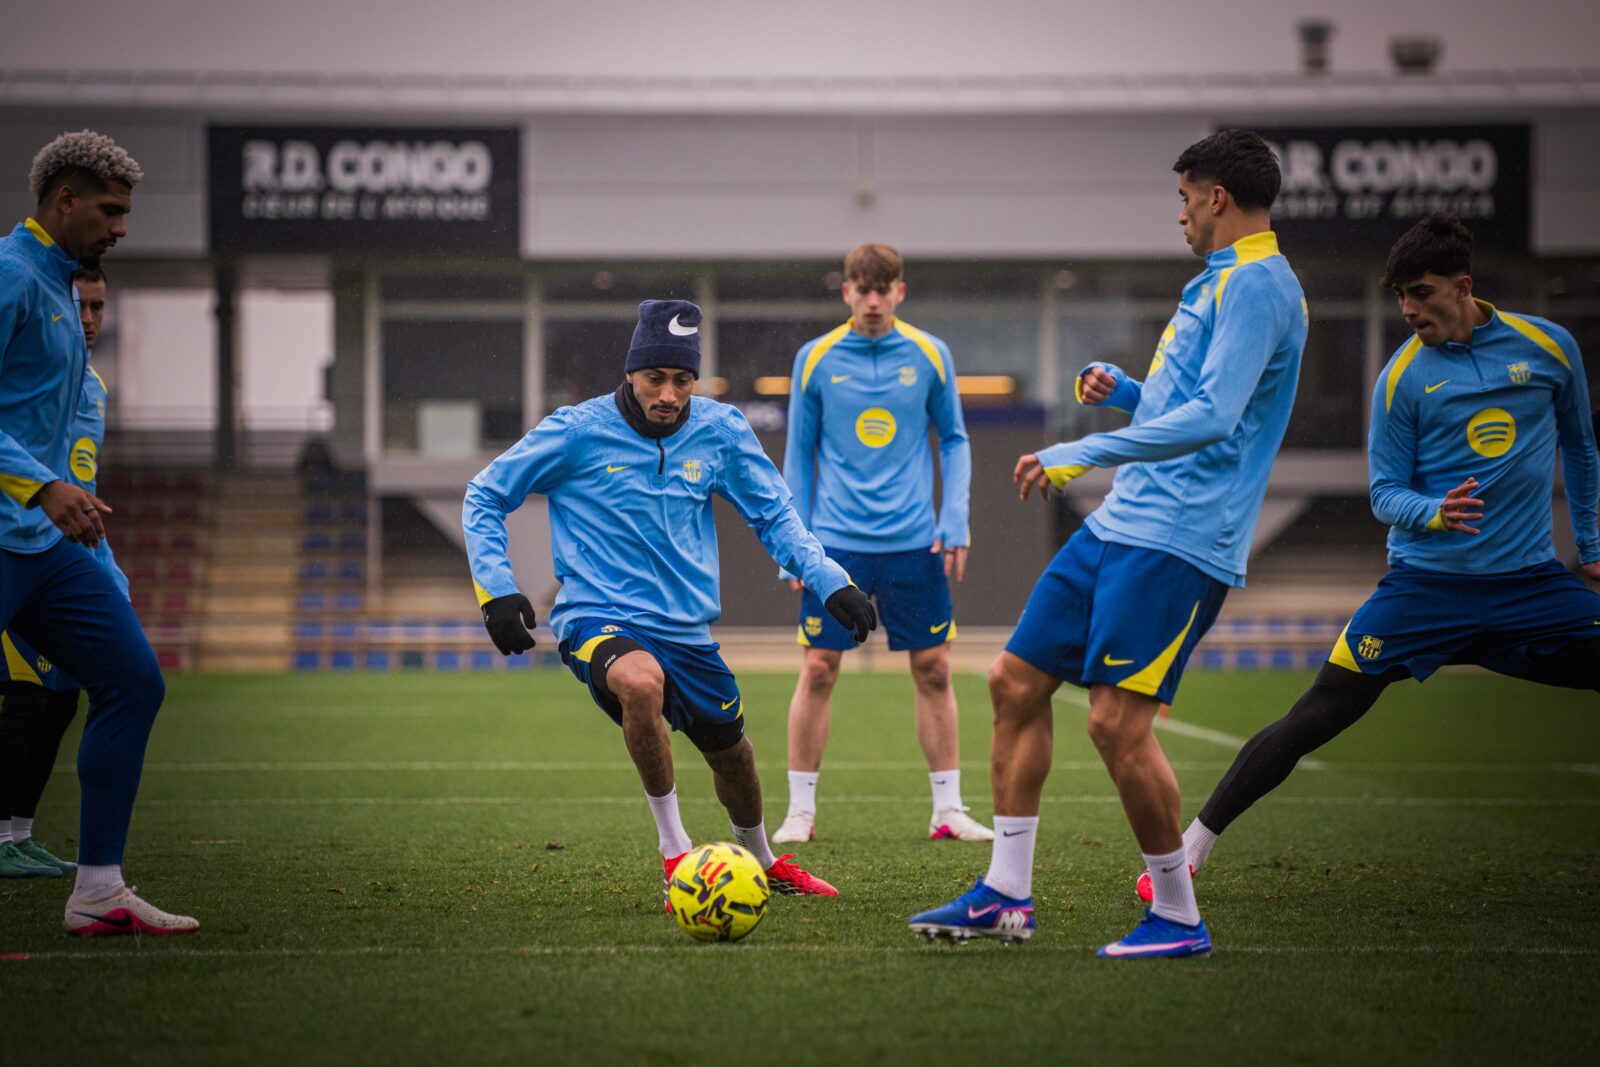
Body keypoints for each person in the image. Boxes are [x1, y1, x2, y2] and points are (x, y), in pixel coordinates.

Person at [909, 130, 1307, 957]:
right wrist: (1125, 393)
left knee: (1116, 724)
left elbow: (1214, 419)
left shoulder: (1263, 286)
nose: (1182, 213)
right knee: (1015, 682)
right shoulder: (1220, 282)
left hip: (1181, 539)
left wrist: (1082, 450)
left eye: (1185, 197)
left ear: (1217, 198)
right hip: (1124, 521)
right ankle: (1005, 897)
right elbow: (1184, 400)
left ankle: (1178, 916)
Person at [1142, 213, 1600, 904]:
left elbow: (1582, 451)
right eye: (1400, 298)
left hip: (1531, 586)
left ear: (1463, 285)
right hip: (1425, 590)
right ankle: (1189, 849)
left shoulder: (1549, 350)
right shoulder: (1402, 381)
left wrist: (1591, 551)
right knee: (1314, 714)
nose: (1409, 310)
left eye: (1420, 293)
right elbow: (1383, 493)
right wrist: (1434, 512)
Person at [464, 299, 877, 906]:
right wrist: (496, 589)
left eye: (682, 380)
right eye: (655, 378)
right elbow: (484, 495)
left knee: (733, 756)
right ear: (631, 373)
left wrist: (829, 579)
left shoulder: (721, 430)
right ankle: (676, 853)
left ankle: (760, 859)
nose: (668, 393)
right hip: (597, 615)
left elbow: (775, 516)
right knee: (640, 682)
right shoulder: (576, 431)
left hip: (687, 629)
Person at [0, 130, 196, 935]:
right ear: (65, 199)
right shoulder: (12, 277)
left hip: (46, 545)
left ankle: (98, 889)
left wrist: (92, 550)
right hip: (13, 526)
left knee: (132, 682)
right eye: (109, 211)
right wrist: (42, 484)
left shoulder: (64, 290)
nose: (120, 228)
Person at [773, 242, 989, 846]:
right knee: (818, 669)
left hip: (915, 543)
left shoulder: (930, 355)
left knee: (934, 668)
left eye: (882, 288)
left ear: (899, 291)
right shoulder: (814, 358)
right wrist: (797, 543)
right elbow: (799, 453)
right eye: (860, 289)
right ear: (846, 293)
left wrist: (956, 517)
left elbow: (954, 439)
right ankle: (799, 813)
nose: (871, 300)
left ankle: (947, 811)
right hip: (835, 548)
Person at [0, 266, 130, 880]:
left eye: (99, 307)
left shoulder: (93, 388)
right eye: (80, 305)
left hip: (62, 563)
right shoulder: (30, 362)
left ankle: (18, 832)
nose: (88, 320)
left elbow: (84, 491)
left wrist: (108, 572)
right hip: (14, 550)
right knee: (25, 694)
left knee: (62, 697)